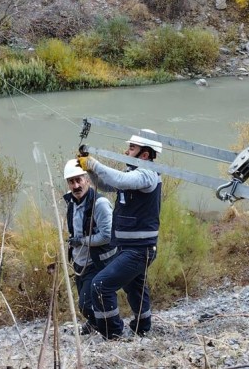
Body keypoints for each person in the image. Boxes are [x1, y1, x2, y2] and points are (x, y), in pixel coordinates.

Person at [76, 129, 163, 340]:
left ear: (144, 154)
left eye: (131, 148)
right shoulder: (133, 173)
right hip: (129, 247)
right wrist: (89, 170)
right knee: (135, 288)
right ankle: (142, 327)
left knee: (100, 286)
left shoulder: (147, 174)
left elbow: (121, 181)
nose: (126, 151)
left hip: (139, 250)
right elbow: (107, 184)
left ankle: (112, 332)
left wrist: (94, 164)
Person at [62, 159, 115, 335]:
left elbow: (107, 235)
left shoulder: (99, 204)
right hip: (79, 261)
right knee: (86, 301)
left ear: (87, 179)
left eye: (79, 180)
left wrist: (82, 241)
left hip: (97, 261)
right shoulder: (71, 202)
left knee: (86, 304)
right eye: (71, 181)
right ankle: (96, 324)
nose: (76, 185)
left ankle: (108, 328)